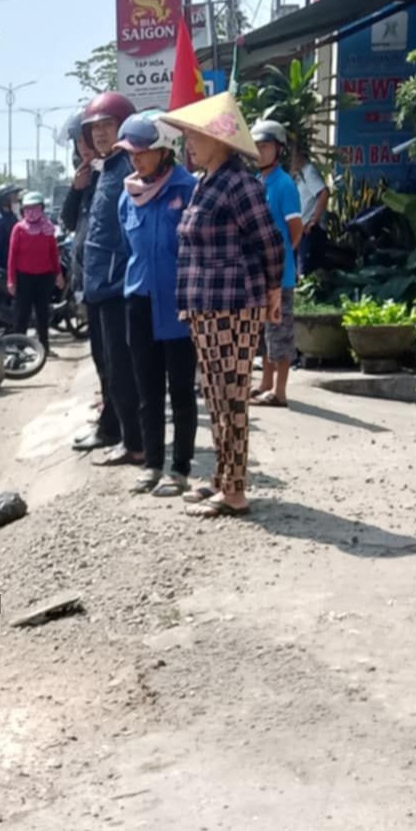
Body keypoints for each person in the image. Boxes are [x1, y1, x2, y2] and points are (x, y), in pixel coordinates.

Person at [159, 91, 285, 518]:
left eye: (195, 136)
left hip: (233, 306)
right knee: (214, 396)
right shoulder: (207, 182)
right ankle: (221, 477)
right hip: (206, 306)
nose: (187, 144)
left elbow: (269, 241)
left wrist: (271, 293)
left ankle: (234, 491)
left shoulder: (239, 182)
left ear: (218, 138)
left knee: (231, 397)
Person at [116, 111, 199, 498]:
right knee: (147, 390)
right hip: (139, 302)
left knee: (180, 390)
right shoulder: (128, 194)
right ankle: (151, 464)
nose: (136, 159)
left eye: (142, 151)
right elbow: (128, 245)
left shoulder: (189, 189)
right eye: (130, 153)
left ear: (165, 149)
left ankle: (179, 468)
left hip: (180, 303)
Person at [78, 90, 144, 468]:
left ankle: (129, 438)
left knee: (121, 367)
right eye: (95, 129)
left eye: (108, 126)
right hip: (98, 285)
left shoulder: (127, 172)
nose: (101, 135)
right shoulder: (105, 171)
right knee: (105, 363)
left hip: (117, 285)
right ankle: (111, 426)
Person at [60, 109, 116, 452]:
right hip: (89, 279)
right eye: (81, 140)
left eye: (90, 137)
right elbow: (69, 222)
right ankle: (109, 414)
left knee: (111, 358)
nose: (85, 146)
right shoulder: (87, 176)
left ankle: (113, 424)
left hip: (109, 279)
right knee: (100, 356)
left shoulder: (111, 173)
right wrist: (75, 188)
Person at [250, 120, 305, 407]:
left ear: (278, 150)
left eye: (266, 146)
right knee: (265, 334)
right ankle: (265, 383)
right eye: (257, 146)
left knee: (280, 332)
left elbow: (296, 229)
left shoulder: (283, 185)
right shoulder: (260, 182)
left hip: (279, 276)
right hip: (259, 274)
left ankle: (280, 391)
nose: (260, 152)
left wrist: (282, 258)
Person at [7, 190, 64, 355]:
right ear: (23, 210)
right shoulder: (19, 229)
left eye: (35, 208)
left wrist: (58, 274)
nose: (32, 212)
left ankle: (44, 348)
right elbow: (12, 256)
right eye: (28, 208)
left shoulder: (48, 230)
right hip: (24, 278)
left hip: (44, 277)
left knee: (42, 314)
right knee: (21, 314)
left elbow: (54, 254)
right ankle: (19, 349)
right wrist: (11, 280)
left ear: (42, 209)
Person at [292, 141, 330, 277]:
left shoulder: (309, 171)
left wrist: (314, 220)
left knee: (306, 274)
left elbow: (324, 193)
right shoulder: (299, 176)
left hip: (311, 231)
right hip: (301, 233)